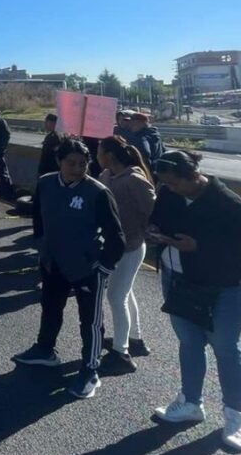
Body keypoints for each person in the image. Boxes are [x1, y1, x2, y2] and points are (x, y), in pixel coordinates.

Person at [149, 150, 241, 452]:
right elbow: (157, 219)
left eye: (173, 183)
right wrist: (155, 232)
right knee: (189, 342)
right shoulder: (169, 193)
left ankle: (235, 416)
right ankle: (190, 403)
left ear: (192, 177)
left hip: (222, 288)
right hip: (178, 281)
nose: (168, 188)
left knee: (225, 348)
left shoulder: (227, 202)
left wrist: (199, 246)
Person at [12, 138, 125, 400]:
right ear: (59, 162)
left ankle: (90, 369)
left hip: (86, 268)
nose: (78, 168)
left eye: (83, 163)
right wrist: (41, 246)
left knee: (91, 321)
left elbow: (116, 237)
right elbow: (38, 219)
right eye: (71, 163)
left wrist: (103, 267)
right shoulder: (46, 183)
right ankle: (45, 349)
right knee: (50, 308)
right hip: (53, 263)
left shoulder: (97, 192)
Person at [96, 136, 156, 373]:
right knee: (125, 292)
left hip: (131, 247)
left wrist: (145, 232)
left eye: (99, 152)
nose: (96, 156)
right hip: (114, 245)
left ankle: (122, 352)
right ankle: (135, 339)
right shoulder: (106, 177)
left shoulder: (134, 180)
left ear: (109, 155)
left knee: (115, 297)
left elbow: (152, 210)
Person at [37, 114, 62, 178]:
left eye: (46, 122)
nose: (44, 125)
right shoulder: (54, 135)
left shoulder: (54, 137)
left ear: (52, 123)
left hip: (50, 171)